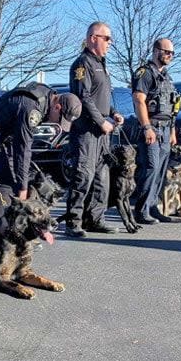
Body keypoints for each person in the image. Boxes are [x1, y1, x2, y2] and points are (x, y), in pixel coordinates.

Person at [64, 22, 124, 237]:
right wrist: (101, 121)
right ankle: (73, 222)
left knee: (101, 178)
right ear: (92, 38)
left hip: (102, 133)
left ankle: (95, 219)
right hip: (86, 131)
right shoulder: (82, 64)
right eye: (106, 38)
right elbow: (84, 96)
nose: (110, 43)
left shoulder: (102, 64)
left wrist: (113, 112)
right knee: (83, 176)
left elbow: (101, 97)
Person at [0, 82, 81, 199]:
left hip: (5, 139)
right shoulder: (32, 109)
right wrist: (23, 188)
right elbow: (23, 149)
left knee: (26, 178)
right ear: (57, 107)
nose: (58, 124)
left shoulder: (46, 94)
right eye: (60, 120)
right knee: (7, 190)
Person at [132, 38, 179, 224]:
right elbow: (138, 100)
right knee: (150, 168)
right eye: (166, 52)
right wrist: (147, 127)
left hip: (166, 130)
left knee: (160, 170)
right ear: (155, 50)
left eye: (172, 53)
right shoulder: (145, 73)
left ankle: (153, 206)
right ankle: (141, 211)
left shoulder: (166, 77)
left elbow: (172, 106)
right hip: (152, 128)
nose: (169, 56)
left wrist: (173, 131)